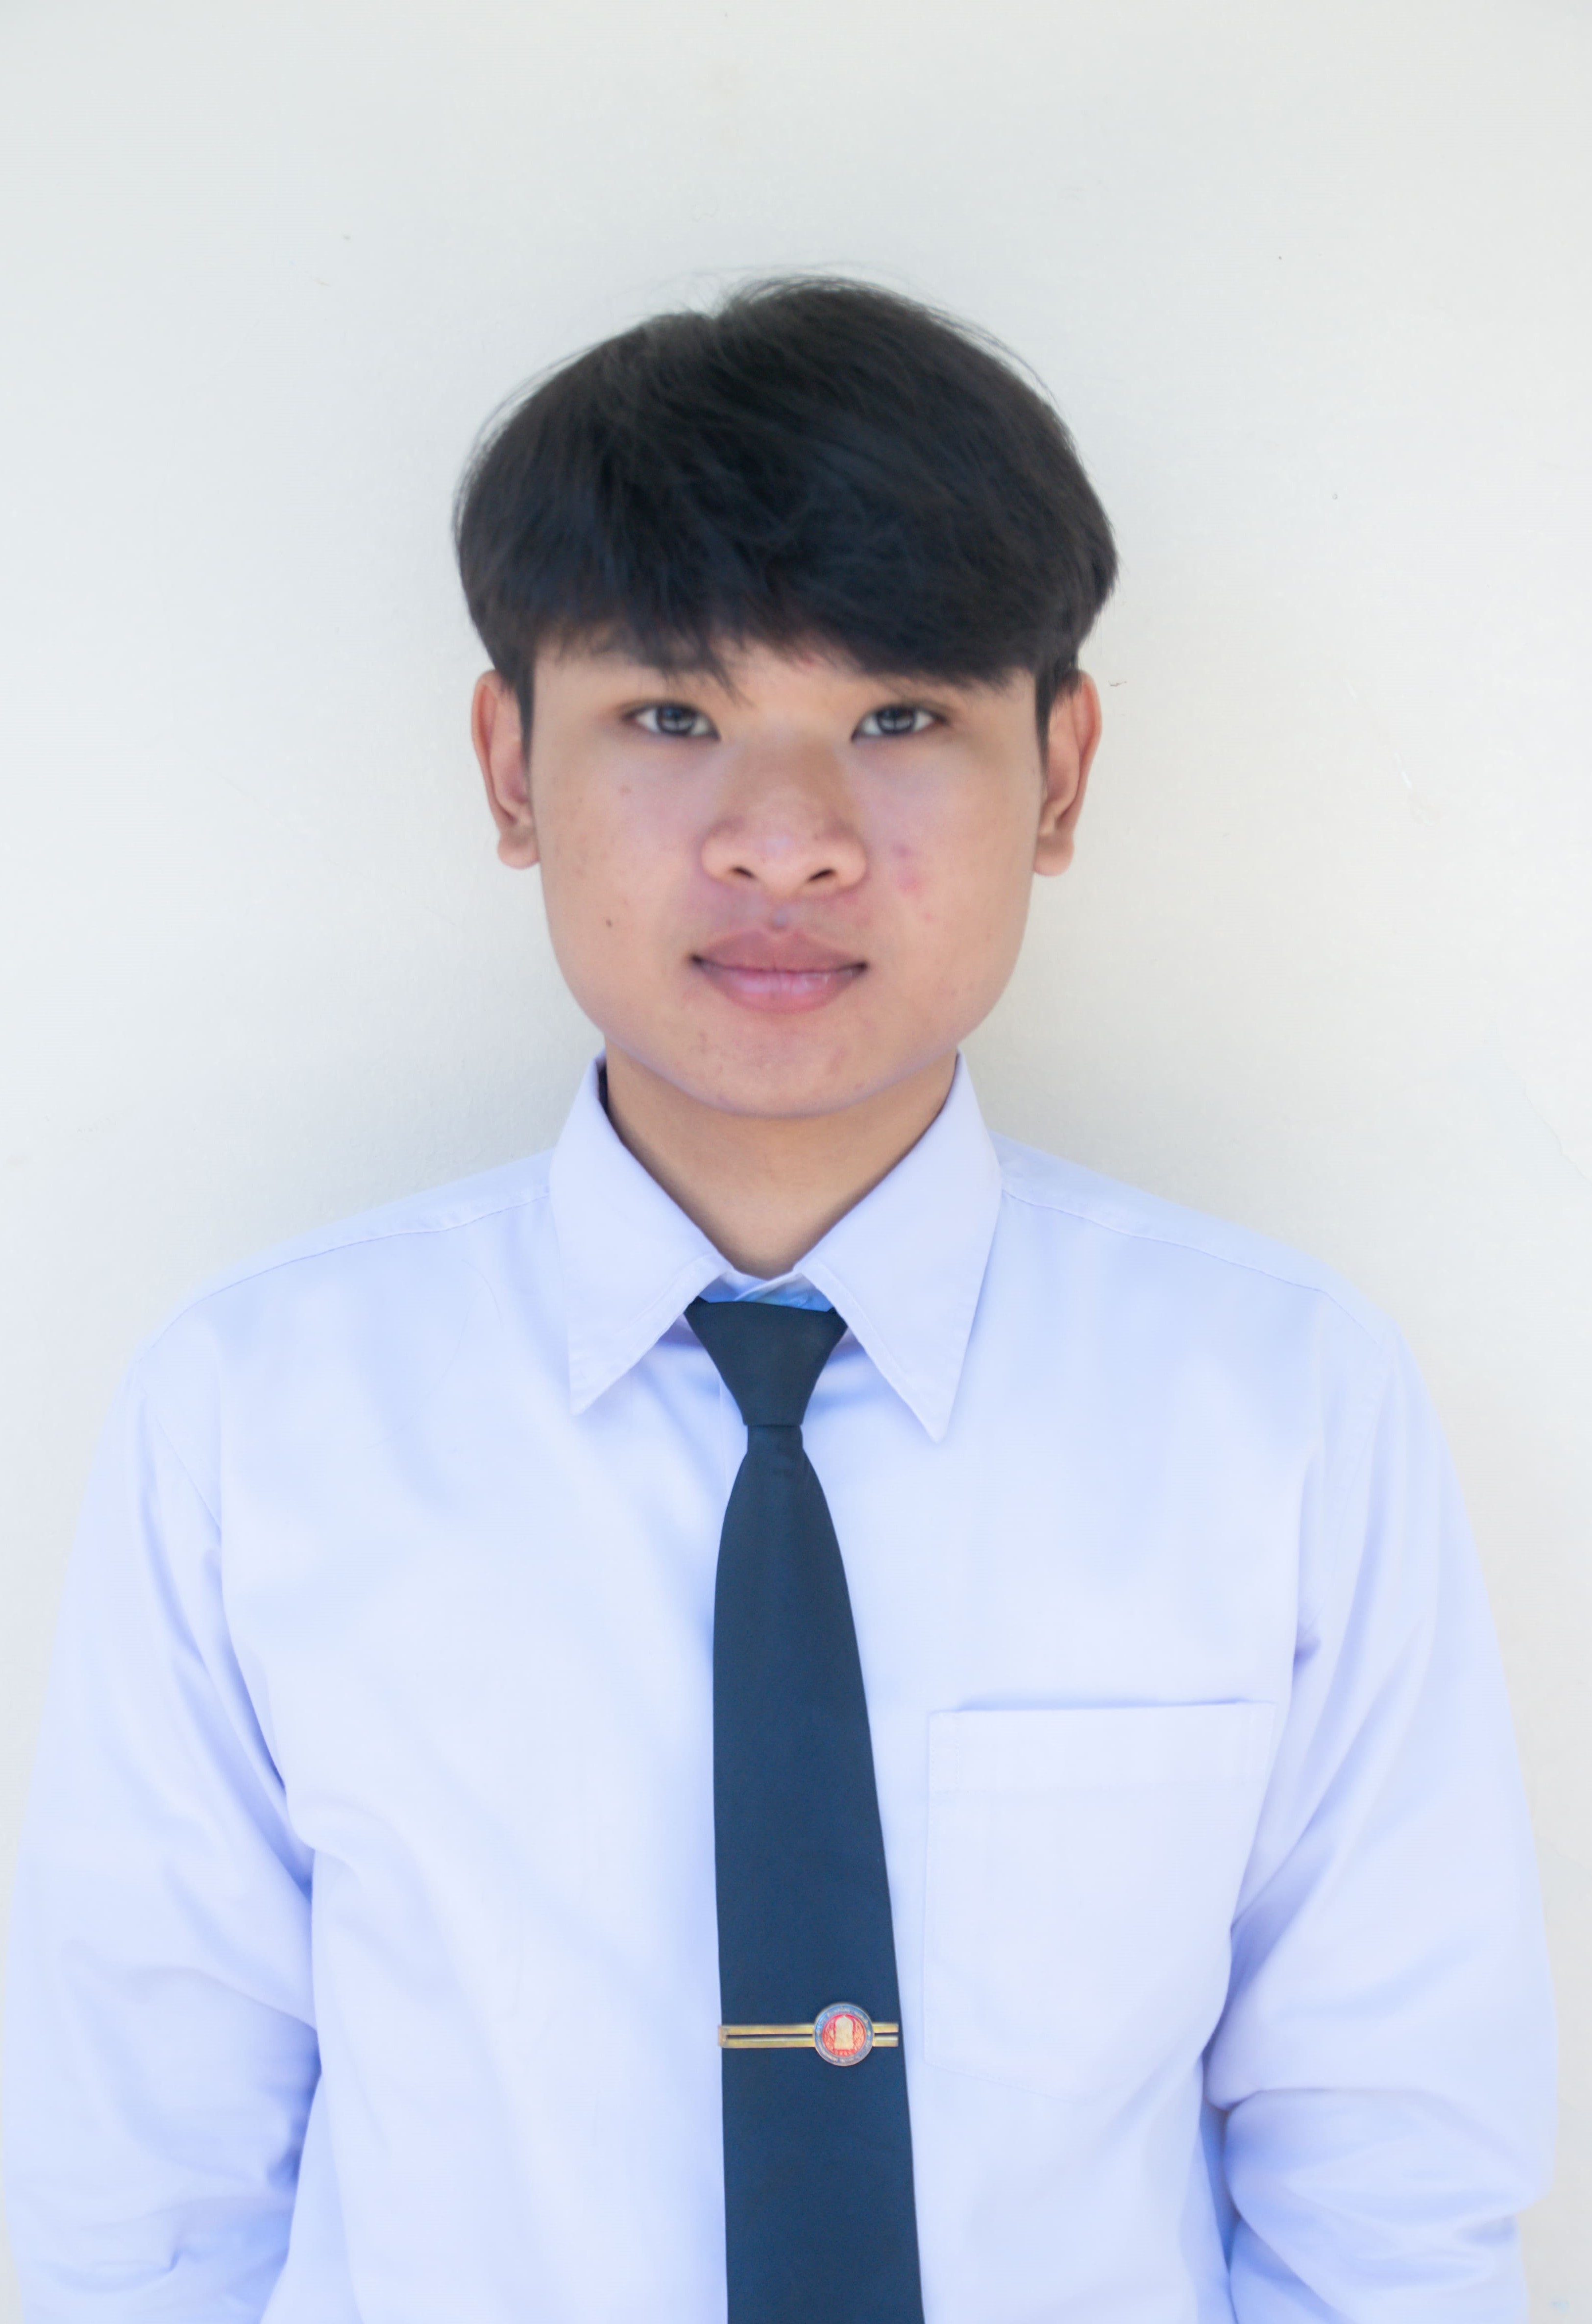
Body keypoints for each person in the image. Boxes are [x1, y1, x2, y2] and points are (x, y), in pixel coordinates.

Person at [2, 278, 1554, 2322]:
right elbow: (143, 2204)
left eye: (899, 720)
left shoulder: (1279, 1403)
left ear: (1061, 770)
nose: (787, 842)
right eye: (672, 717)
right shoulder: (256, 1414)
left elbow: (1386, 2196)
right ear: (508, 765)